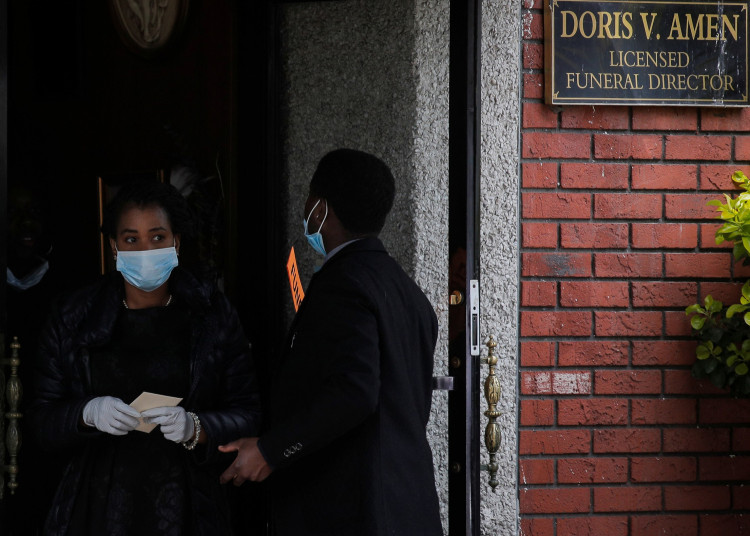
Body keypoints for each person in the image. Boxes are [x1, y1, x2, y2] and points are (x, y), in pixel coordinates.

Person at [219, 148, 442, 535]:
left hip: (357, 511)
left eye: (309, 198)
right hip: (407, 506)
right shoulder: (408, 292)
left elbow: (353, 391)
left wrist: (271, 450)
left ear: (320, 209)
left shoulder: (343, 286)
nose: (305, 209)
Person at [27, 180, 262, 536]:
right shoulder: (74, 316)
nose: (145, 250)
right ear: (114, 246)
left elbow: (248, 414)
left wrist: (196, 428)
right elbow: (41, 422)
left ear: (176, 242)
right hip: (97, 506)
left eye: (157, 237)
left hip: (187, 506)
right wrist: (86, 413)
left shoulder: (211, 314)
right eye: (131, 239)